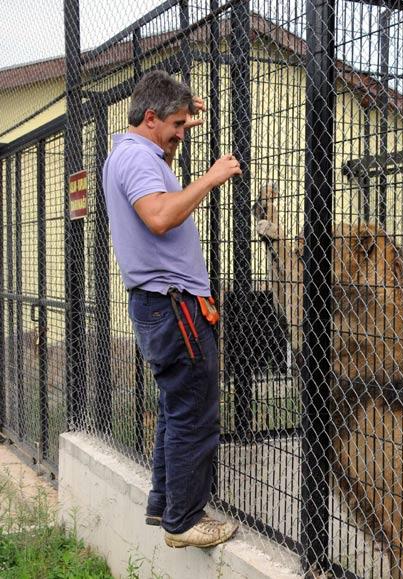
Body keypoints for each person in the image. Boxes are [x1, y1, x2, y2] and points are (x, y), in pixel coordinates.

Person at [102, 69, 241, 549]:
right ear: (149, 118)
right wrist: (212, 176)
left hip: (160, 303)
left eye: (186, 124)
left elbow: (164, 124)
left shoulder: (130, 149)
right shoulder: (139, 160)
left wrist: (183, 111)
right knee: (196, 413)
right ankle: (184, 521)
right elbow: (160, 216)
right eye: (176, 126)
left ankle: (166, 506)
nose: (182, 134)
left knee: (176, 408)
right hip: (174, 303)